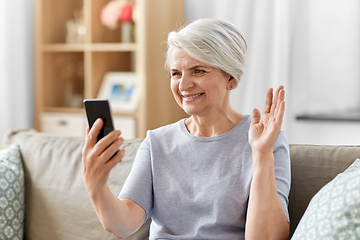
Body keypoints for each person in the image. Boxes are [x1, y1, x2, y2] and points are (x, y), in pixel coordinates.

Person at [82, 18, 291, 240]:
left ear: (230, 76)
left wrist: (261, 155)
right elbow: (123, 226)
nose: (183, 86)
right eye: (176, 73)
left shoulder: (266, 141)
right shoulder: (157, 142)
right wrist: (96, 187)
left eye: (198, 71)